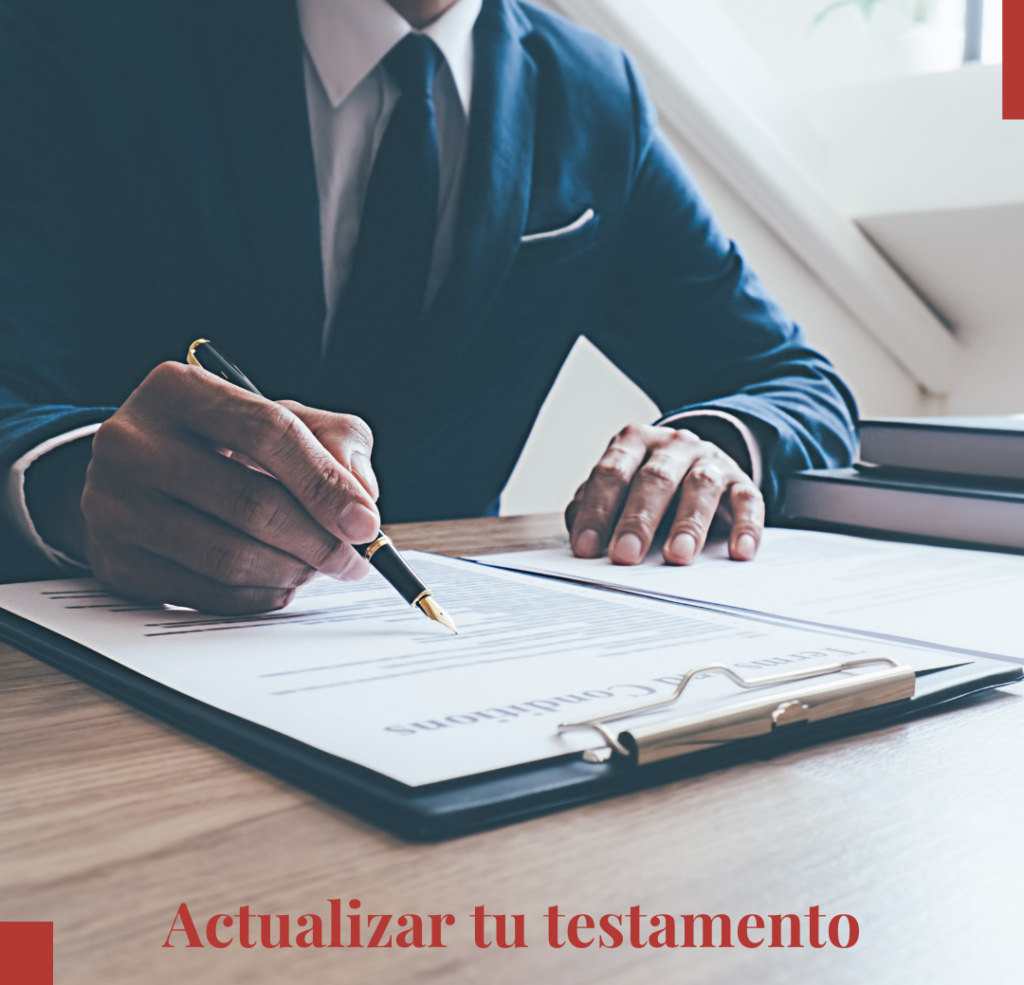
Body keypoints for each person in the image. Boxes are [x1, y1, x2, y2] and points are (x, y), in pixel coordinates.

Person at [0, 0, 858, 612]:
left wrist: (712, 444)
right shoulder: (68, 29)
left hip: (451, 675)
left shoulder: (594, 94)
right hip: (110, 667)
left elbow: (792, 380)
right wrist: (74, 483)